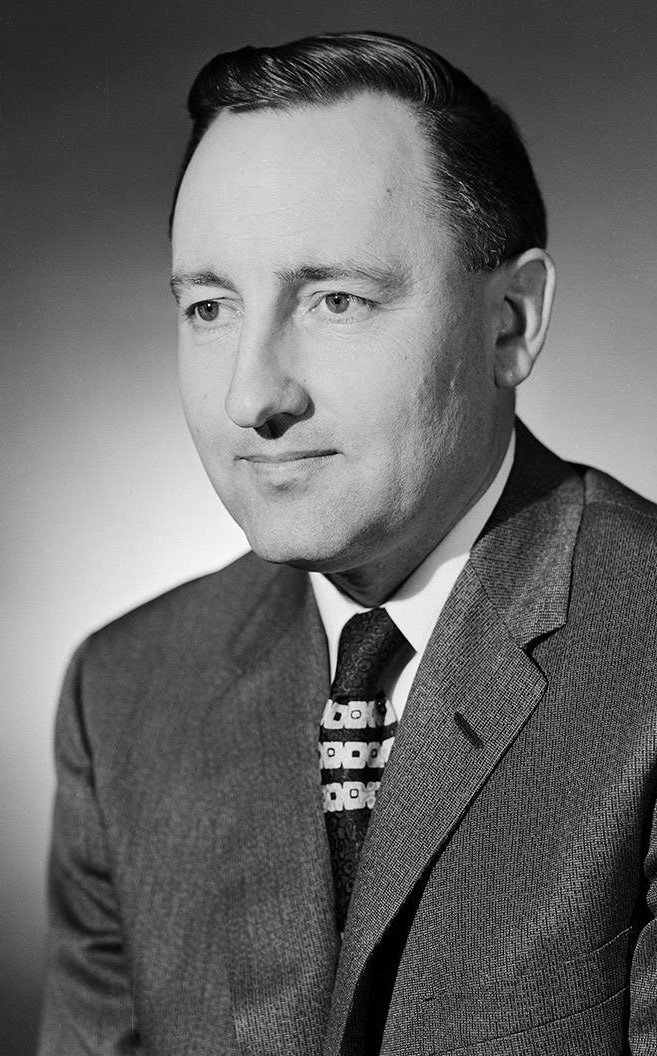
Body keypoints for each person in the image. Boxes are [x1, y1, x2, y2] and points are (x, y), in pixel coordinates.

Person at [38, 31, 657, 1056]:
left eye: (337, 299)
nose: (252, 396)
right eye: (209, 306)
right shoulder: (123, 694)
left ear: (512, 322)